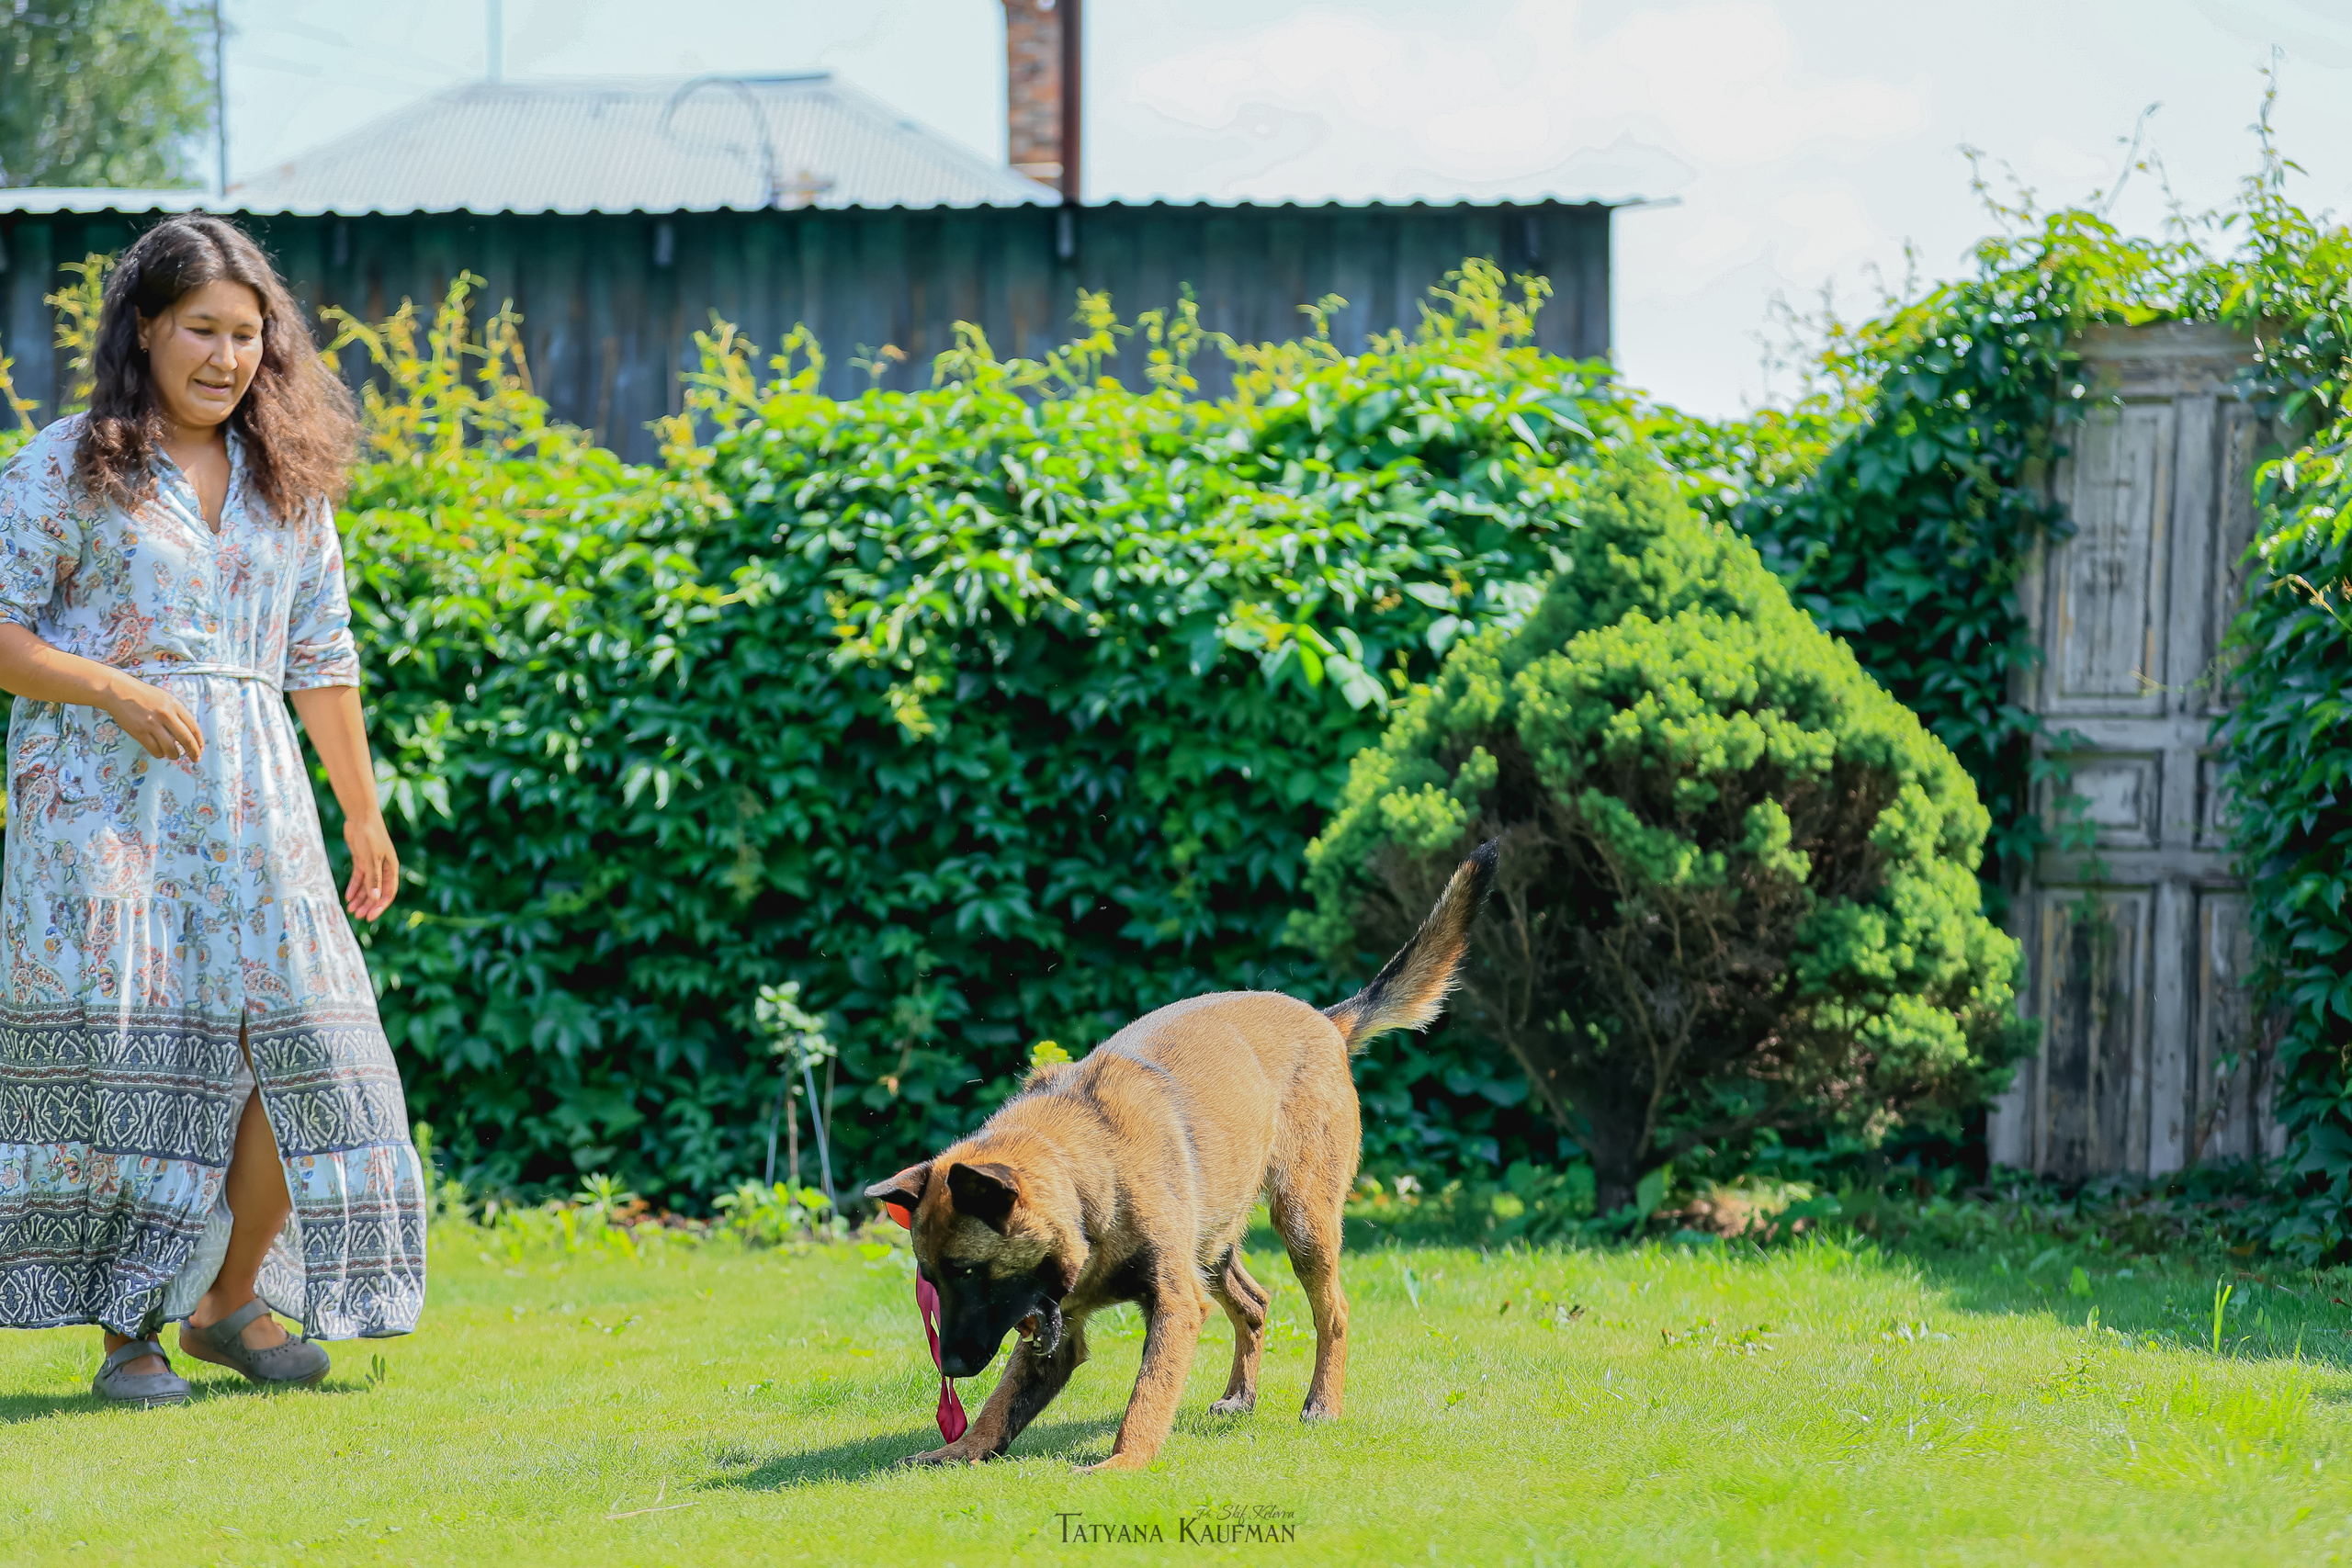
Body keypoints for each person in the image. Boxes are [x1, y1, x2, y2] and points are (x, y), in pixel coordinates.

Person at [0, 214, 426, 1405]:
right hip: (101, 808)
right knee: (134, 1054)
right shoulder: (68, 463)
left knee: (314, 1045)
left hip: (259, 805)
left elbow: (322, 656)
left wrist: (364, 812)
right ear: (145, 328)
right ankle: (126, 1330)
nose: (226, 356)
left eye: (248, 334)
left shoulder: (288, 482)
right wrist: (110, 687)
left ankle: (229, 1298)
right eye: (202, 329)